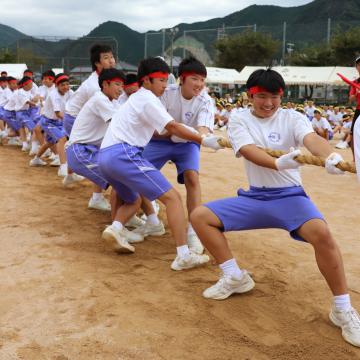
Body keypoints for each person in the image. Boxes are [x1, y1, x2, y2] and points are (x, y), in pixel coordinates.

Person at [190, 68, 360, 347]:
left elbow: (311, 140)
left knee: (323, 235)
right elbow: (248, 151)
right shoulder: (239, 118)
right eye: (261, 97)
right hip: (255, 198)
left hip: (291, 197)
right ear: (250, 96)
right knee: (200, 216)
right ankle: (234, 277)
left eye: (274, 97)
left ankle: (342, 309)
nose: (268, 103)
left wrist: (330, 156)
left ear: (282, 96)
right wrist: (279, 163)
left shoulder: (292, 117)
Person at [98, 57, 224, 271]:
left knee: (133, 197)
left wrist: (201, 136)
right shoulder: (150, 98)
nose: (165, 85)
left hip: (107, 156)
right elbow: (171, 127)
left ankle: (117, 228)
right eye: (161, 80)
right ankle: (183, 255)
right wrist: (202, 139)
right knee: (173, 198)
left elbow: (190, 128)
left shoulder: (142, 97)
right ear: (146, 80)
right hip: (127, 152)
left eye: (167, 80)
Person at [141, 56, 215, 253]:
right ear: (182, 78)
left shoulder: (206, 100)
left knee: (192, 177)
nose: (199, 84)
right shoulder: (167, 93)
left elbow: (203, 129)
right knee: (138, 173)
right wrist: (173, 132)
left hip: (188, 142)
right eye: (194, 78)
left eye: (202, 79)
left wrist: (204, 137)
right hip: (160, 141)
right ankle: (150, 218)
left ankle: (194, 230)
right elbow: (155, 128)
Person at [63, 43, 116, 210]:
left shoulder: (106, 80)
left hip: (83, 117)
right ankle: (95, 195)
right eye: (106, 58)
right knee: (91, 154)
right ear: (97, 64)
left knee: (97, 154)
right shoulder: (96, 86)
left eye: (112, 57)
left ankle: (94, 195)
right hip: (74, 117)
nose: (111, 61)